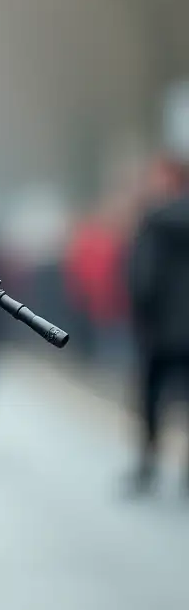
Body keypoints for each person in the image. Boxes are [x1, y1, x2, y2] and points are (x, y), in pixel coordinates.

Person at [126, 159, 189, 494]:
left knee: (152, 399)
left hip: (161, 328)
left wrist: (140, 314)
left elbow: (143, 278)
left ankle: (148, 465)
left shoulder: (155, 221)